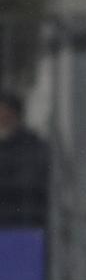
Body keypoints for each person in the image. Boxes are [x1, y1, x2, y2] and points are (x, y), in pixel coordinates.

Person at [0, 92, 50, 227]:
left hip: (26, 224)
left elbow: (33, 182)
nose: (3, 119)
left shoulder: (33, 146)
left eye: (6, 115)